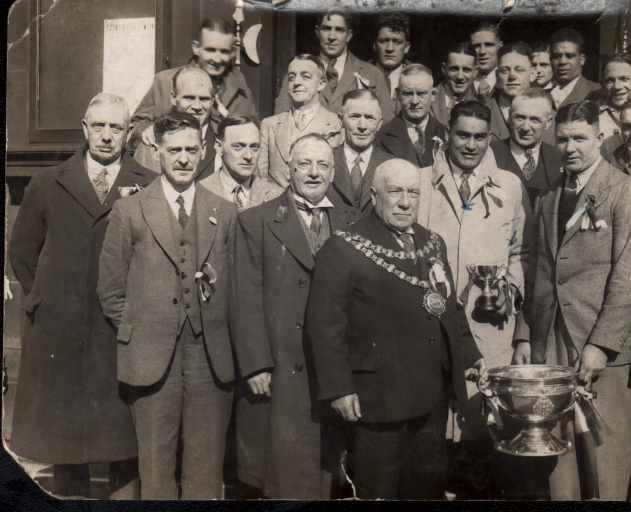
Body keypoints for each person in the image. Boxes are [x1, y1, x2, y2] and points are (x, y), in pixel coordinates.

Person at [306, 158, 484, 499]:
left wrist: (470, 355)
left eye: (413, 193)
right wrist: (339, 388)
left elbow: (448, 307)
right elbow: (325, 327)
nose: (405, 202)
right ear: (374, 196)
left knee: (426, 489)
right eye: (396, 192)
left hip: (431, 397)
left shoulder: (433, 242)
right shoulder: (343, 247)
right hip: (378, 402)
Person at [9, 93, 154, 499]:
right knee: (65, 443)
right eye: (100, 126)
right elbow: (22, 252)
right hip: (61, 331)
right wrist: (47, 298)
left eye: (116, 127)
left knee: (121, 439)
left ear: (129, 134)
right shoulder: (47, 183)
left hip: (118, 332)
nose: (107, 136)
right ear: (85, 128)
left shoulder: (146, 184)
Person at [513, 100, 631, 500]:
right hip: (551, 343)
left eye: (580, 138)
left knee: (605, 460)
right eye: (563, 140)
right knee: (559, 465)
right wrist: (526, 334)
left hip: (598, 347)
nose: (571, 147)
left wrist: (600, 345)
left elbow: (629, 277)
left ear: (600, 137)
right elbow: (538, 271)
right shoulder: (549, 197)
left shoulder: (626, 192)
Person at [97, 111, 237, 499]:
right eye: (174, 150)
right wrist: (142, 329)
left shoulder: (224, 213)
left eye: (192, 149)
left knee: (206, 471)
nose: (183, 158)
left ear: (205, 150)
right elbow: (110, 290)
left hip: (210, 360)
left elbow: (237, 288)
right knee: (155, 472)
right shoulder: (130, 210)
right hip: (151, 360)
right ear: (157, 152)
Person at [416, 100, 530, 496]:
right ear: (447, 134)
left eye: (480, 137)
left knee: (482, 436)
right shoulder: (420, 182)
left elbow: (519, 252)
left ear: (490, 138)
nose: (470, 145)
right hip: (431, 327)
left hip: (488, 328)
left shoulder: (510, 186)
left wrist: (510, 292)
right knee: (434, 440)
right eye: (462, 135)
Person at [232, 134, 350, 498]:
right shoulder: (256, 221)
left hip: (331, 369)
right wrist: (255, 364)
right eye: (304, 164)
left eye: (322, 165)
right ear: (288, 170)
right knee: (284, 474)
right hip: (281, 368)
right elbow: (243, 296)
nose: (313, 173)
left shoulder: (350, 221)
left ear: (333, 172)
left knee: (328, 470)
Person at [130, 17, 256, 151]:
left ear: (232, 53)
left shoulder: (240, 89)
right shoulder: (165, 81)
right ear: (196, 48)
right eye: (210, 50)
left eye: (224, 51)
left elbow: (253, 134)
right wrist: (148, 131)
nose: (217, 59)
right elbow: (136, 125)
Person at [274, 10, 394, 123]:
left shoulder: (372, 75)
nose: (332, 37)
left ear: (349, 35)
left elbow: (386, 126)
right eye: (326, 29)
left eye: (339, 30)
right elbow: (280, 123)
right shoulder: (297, 73)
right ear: (317, 32)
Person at [257, 54, 343, 190]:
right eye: (291, 77)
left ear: (321, 84)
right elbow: (260, 177)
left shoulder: (336, 124)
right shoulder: (270, 125)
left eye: (305, 76)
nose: (296, 82)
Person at [134, 66, 219, 180]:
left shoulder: (223, 141)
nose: (197, 106)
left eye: (204, 99)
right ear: (173, 98)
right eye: (189, 98)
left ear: (213, 101)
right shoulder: (152, 143)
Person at [331, 89, 392, 223]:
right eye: (355, 116)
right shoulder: (325, 160)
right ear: (341, 120)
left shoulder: (391, 165)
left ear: (379, 124)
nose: (362, 126)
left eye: (369, 118)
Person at [490, 89, 562, 203]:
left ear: (548, 123)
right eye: (520, 118)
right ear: (509, 117)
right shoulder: (490, 153)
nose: (525, 127)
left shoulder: (559, 158)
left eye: (534, 120)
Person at [376, 64, 447, 168]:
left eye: (421, 93)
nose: (414, 101)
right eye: (408, 94)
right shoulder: (381, 136)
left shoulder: (446, 135)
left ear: (433, 95)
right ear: (398, 94)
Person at [199, 115, 272, 209]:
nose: (248, 156)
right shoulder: (200, 192)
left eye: (254, 147)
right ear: (219, 147)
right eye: (238, 147)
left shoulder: (274, 195)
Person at [483, 42, 535, 141]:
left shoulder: (547, 112)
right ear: (497, 76)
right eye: (505, 71)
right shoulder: (481, 111)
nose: (512, 76)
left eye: (519, 70)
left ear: (532, 74)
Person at [548, 28, 601, 109]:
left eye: (569, 56)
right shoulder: (542, 95)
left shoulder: (597, 92)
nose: (562, 62)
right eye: (556, 56)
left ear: (582, 60)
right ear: (550, 60)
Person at [431, 42, 478, 127]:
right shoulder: (428, 100)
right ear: (444, 69)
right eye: (454, 69)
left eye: (466, 70)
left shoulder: (480, 104)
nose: (460, 76)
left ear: (475, 72)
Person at [598, 52, 631, 142]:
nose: (617, 86)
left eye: (624, 79)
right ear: (603, 84)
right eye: (610, 81)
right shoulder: (594, 117)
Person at [372, 13, 411, 101]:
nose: (390, 48)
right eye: (383, 41)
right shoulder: (359, 75)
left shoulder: (419, 77)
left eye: (397, 42)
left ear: (407, 47)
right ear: (374, 45)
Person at [469, 22, 503, 98]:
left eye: (488, 45)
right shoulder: (463, 82)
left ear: (500, 46)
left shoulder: (507, 80)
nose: (482, 51)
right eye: (476, 46)